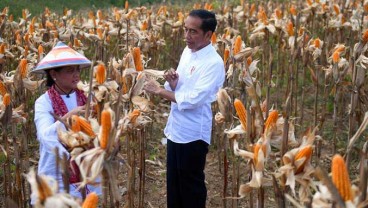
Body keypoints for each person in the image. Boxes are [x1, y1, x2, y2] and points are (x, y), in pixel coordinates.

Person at [144, 9, 225, 208]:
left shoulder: (214, 63)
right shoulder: (187, 52)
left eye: (193, 32)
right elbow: (181, 90)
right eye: (185, 30)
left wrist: (159, 91)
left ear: (208, 35)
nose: (186, 36)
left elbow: (193, 100)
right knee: (174, 186)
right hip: (175, 130)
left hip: (193, 135)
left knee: (191, 189)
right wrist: (172, 82)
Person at [32, 41, 100, 200]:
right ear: (54, 74)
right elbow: (45, 136)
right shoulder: (44, 102)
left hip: (87, 168)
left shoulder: (87, 96)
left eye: (77, 70)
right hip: (56, 171)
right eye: (70, 71)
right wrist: (69, 116)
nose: (76, 75)